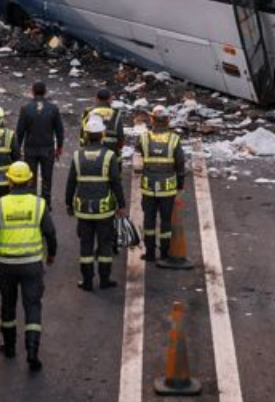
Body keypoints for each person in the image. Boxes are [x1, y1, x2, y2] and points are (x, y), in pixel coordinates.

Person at [0, 162, 57, 372]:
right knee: (32, 306)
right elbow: (50, 232)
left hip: (7, 265)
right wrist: (51, 254)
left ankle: (10, 346)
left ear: (10, 180)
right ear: (30, 180)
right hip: (32, 264)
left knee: (8, 305)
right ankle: (32, 351)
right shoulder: (38, 204)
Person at [65, 115, 125, 291]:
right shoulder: (109, 156)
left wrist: (69, 204)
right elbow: (116, 183)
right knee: (105, 244)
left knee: (86, 246)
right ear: (102, 134)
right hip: (104, 211)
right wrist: (121, 205)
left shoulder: (77, 156)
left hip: (83, 209)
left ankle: (87, 281)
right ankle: (105, 280)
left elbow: (71, 183)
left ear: (86, 134)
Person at [138, 105, 187, 264]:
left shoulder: (144, 138)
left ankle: (150, 253)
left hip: (149, 187)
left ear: (152, 119)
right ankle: (164, 254)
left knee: (149, 220)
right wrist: (180, 185)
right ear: (168, 120)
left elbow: (141, 152)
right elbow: (180, 164)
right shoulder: (174, 139)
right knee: (166, 221)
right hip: (167, 188)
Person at [15, 82, 64, 204]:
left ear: (32, 92)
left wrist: (17, 148)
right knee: (47, 177)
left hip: (30, 148)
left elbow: (20, 131)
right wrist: (59, 147)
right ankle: (46, 203)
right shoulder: (53, 108)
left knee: (31, 177)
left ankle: (32, 203)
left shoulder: (26, 108)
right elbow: (59, 130)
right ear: (45, 92)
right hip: (47, 148)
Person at [78, 88, 123, 155]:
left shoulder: (88, 112)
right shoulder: (116, 114)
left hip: (90, 149)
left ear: (96, 98)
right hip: (111, 150)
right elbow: (120, 137)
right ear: (110, 99)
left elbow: (82, 134)